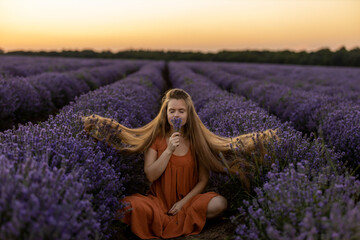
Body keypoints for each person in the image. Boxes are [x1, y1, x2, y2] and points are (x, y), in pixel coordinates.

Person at [82, 88, 279, 239]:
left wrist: (183, 203)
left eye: (181, 111)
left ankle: (184, 218)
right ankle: (178, 221)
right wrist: (168, 150)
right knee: (127, 206)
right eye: (172, 110)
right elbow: (150, 175)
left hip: (188, 201)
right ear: (165, 113)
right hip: (158, 202)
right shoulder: (156, 138)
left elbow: (203, 180)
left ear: (188, 114)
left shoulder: (197, 141)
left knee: (220, 203)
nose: (176, 115)